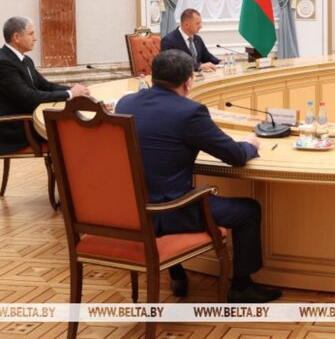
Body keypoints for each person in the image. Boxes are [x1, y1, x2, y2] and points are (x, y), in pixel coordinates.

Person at [115, 50, 281, 303]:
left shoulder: (126, 103)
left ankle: (177, 274)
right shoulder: (190, 112)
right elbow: (235, 156)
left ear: (153, 76)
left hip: (131, 211)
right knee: (248, 210)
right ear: (188, 82)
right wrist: (250, 144)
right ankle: (241, 286)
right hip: (171, 212)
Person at [0, 16, 90, 153]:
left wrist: (74, 90)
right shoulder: (3, 63)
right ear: (17, 37)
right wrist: (70, 94)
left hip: (31, 118)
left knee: (72, 122)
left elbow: (45, 86)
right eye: (31, 34)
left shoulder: (26, 60)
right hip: (16, 127)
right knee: (70, 129)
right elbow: (29, 97)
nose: (35, 38)